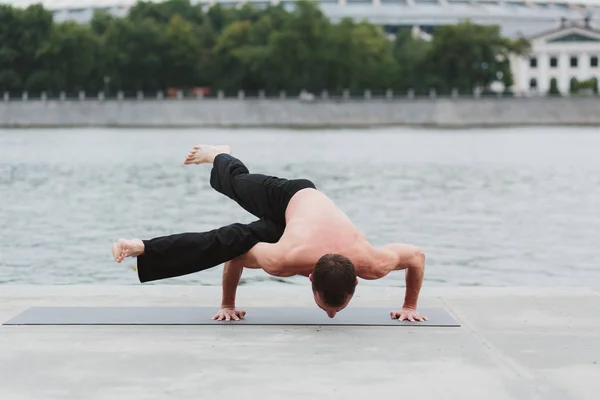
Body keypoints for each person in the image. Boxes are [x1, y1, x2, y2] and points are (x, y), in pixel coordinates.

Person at [112, 145, 428, 323]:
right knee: (233, 186)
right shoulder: (282, 258)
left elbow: (417, 257)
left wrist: (410, 306)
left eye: (330, 309)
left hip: (290, 229)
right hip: (289, 197)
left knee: (230, 236)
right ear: (308, 278)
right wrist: (227, 303)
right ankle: (218, 154)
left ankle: (142, 247)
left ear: (357, 281)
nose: (331, 316)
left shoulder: (372, 262)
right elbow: (234, 256)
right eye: (329, 308)